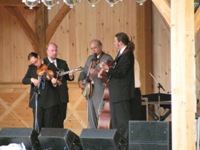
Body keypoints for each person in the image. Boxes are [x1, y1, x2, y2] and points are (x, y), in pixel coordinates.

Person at [98, 32, 135, 139]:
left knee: (123, 122)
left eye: (115, 41)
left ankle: (125, 145)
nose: (114, 43)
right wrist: (105, 70)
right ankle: (119, 143)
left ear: (120, 42)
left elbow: (121, 72)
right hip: (115, 93)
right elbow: (114, 70)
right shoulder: (120, 54)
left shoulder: (127, 55)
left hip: (121, 93)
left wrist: (107, 69)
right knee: (116, 123)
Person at [78, 39, 113, 128]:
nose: (93, 50)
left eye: (95, 48)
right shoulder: (90, 58)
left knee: (100, 116)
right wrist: (80, 81)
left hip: (101, 91)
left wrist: (97, 71)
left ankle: (102, 137)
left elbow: (110, 74)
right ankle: (93, 137)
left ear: (101, 47)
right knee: (91, 117)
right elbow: (84, 71)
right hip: (90, 90)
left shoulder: (107, 58)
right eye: (91, 48)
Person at [22, 52, 58, 132]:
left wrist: (54, 82)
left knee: (48, 127)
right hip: (37, 101)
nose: (35, 64)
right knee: (37, 125)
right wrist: (31, 79)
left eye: (36, 61)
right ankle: (37, 143)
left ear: (38, 57)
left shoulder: (50, 65)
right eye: (32, 63)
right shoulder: (31, 68)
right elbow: (24, 80)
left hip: (49, 101)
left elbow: (55, 82)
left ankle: (47, 143)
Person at [43, 43, 74, 128]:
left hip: (62, 97)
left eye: (56, 50)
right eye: (52, 50)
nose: (54, 52)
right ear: (47, 51)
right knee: (49, 122)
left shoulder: (62, 63)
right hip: (50, 99)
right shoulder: (43, 63)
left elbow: (68, 77)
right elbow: (42, 79)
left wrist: (70, 75)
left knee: (61, 120)